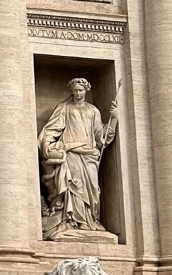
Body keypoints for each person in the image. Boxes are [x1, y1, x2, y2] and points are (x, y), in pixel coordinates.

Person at [38, 77, 117, 239]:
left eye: (81, 90)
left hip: (89, 154)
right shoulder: (64, 108)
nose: (78, 93)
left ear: (86, 90)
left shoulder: (93, 111)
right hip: (71, 152)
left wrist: (114, 118)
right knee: (73, 186)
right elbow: (53, 128)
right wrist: (47, 142)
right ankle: (71, 220)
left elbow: (100, 137)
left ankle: (90, 220)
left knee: (92, 189)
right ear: (71, 91)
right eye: (76, 90)